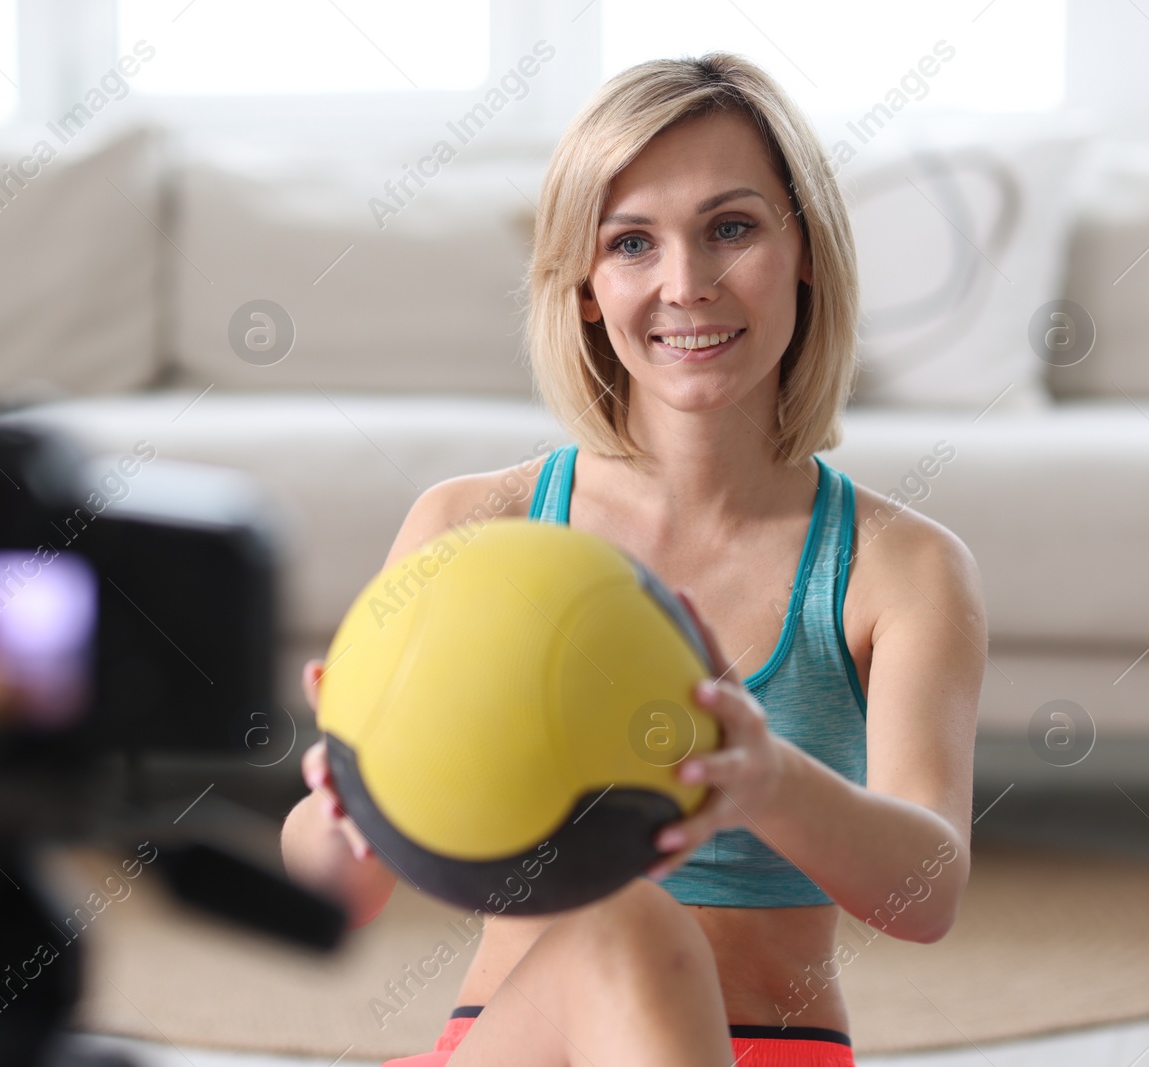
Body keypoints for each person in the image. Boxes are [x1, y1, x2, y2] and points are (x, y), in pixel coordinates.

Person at [281, 52, 985, 1067]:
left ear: (806, 253)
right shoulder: (471, 527)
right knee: (621, 918)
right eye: (630, 243)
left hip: (766, 1046)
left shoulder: (900, 566)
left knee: (631, 920)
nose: (685, 283)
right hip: (510, 1045)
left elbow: (928, 895)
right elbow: (338, 897)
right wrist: (352, 808)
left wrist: (763, 779)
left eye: (731, 228)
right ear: (583, 289)